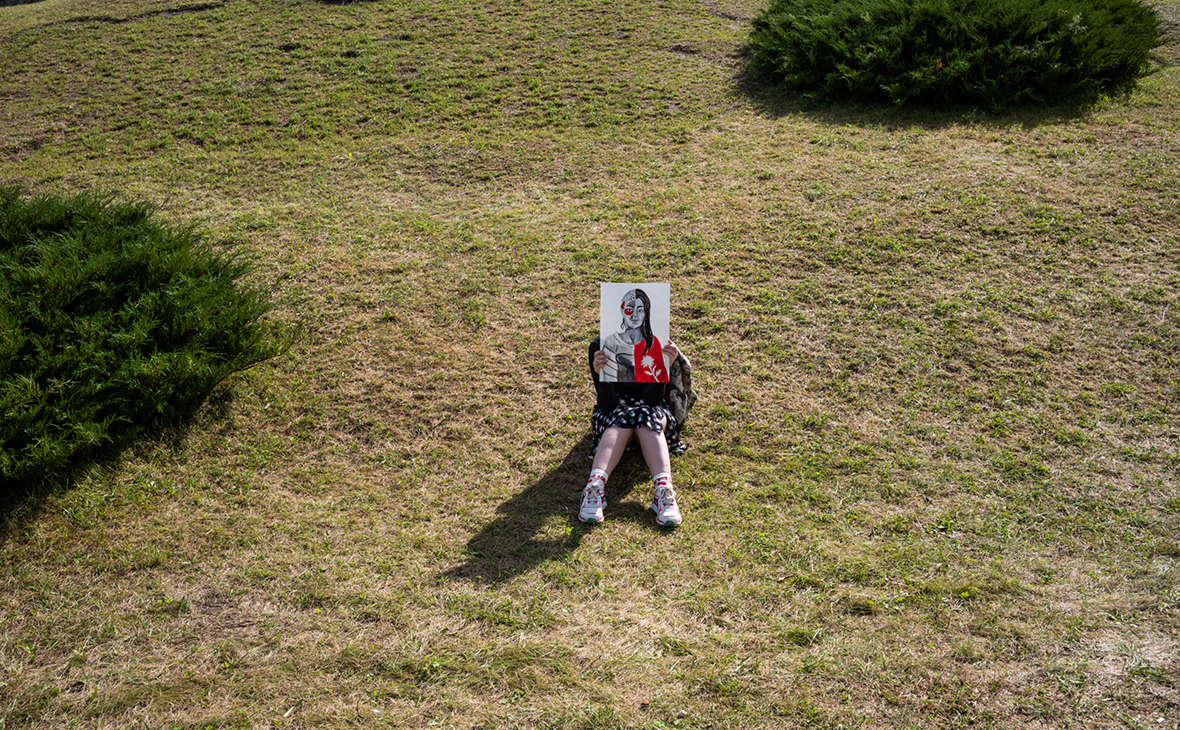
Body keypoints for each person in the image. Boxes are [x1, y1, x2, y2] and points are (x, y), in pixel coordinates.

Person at [580, 333, 688, 527]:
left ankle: (664, 491)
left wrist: (662, 369)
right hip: (613, 412)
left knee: (647, 418)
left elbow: (652, 402)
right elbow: (607, 404)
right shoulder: (599, 345)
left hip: (652, 410)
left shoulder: (660, 342)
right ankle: (594, 487)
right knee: (622, 419)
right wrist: (603, 377)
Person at [599, 288, 667, 384]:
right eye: (629, 310)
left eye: (640, 310)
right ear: (622, 310)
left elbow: (657, 384)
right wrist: (600, 372)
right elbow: (609, 380)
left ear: (646, 314)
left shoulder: (653, 342)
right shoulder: (612, 342)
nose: (635, 315)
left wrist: (669, 364)